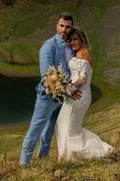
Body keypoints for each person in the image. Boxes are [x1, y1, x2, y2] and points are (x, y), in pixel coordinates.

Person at [19, 13, 82, 165]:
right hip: (47, 97)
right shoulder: (48, 46)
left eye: (67, 27)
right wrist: (68, 90)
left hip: (63, 99)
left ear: (71, 28)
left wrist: (71, 90)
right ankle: (23, 165)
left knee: (50, 131)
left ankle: (43, 161)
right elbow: (47, 76)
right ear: (56, 26)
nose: (64, 30)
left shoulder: (72, 46)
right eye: (61, 26)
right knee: (35, 130)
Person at [56, 27, 113, 160]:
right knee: (62, 124)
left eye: (75, 39)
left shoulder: (82, 54)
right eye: (70, 40)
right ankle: (67, 156)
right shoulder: (80, 53)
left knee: (70, 128)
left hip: (79, 96)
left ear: (81, 39)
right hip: (75, 94)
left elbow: (82, 79)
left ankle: (94, 153)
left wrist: (67, 90)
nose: (72, 42)